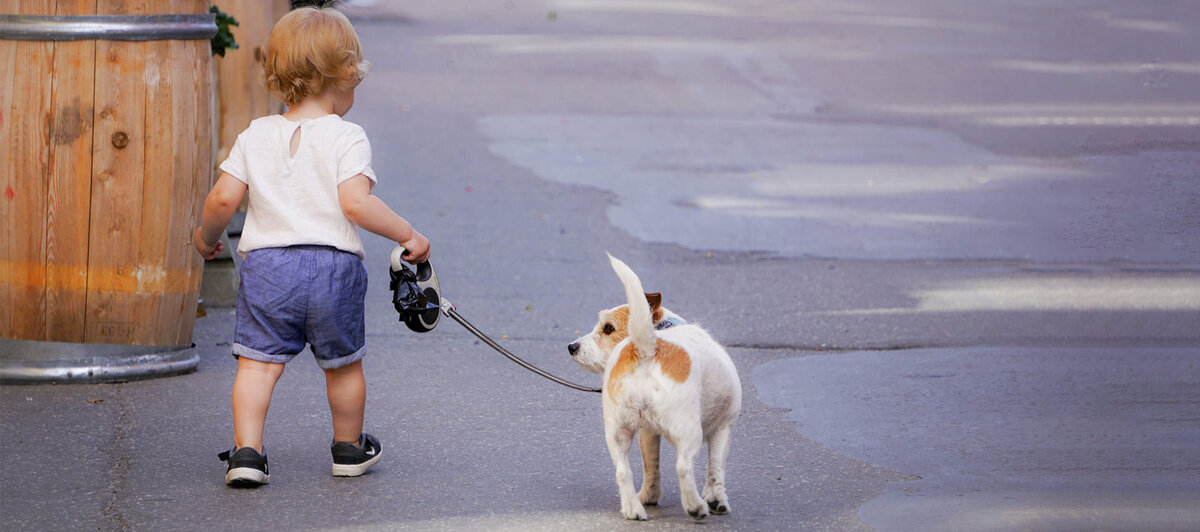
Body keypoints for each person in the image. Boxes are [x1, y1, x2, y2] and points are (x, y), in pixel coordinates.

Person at [194, 4, 429, 488]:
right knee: (342, 368)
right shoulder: (347, 137)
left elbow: (222, 197)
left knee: (257, 367)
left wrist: (205, 238)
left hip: (267, 270)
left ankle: (246, 454)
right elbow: (356, 204)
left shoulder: (256, 134)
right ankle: (348, 447)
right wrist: (408, 234)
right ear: (345, 77)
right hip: (333, 270)